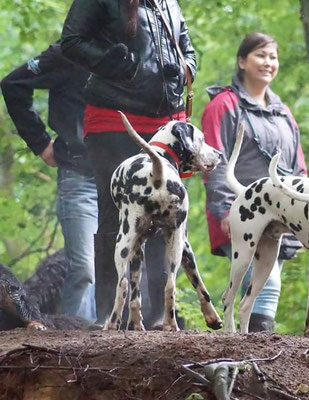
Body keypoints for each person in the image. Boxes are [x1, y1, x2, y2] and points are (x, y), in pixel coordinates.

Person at [60, 0, 197, 328]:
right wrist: (116, 64)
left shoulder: (169, 2)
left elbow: (187, 47)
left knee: (166, 216)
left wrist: (186, 68)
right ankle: (112, 313)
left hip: (166, 124)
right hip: (114, 117)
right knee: (115, 214)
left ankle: (159, 315)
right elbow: (71, 42)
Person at [202, 32, 307, 332]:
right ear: (241, 61)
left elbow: (298, 168)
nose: (268, 62)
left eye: (273, 57)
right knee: (266, 283)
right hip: (242, 209)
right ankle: (254, 351)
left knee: (265, 285)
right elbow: (214, 161)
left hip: (284, 215)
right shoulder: (223, 105)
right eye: (260, 55)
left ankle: (249, 350)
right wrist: (224, 209)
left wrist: (305, 216)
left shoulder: (283, 112)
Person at [1, 42, 97, 322]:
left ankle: (111, 342)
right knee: (83, 268)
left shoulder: (135, 49)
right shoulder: (66, 53)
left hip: (122, 179)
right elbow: (13, 84)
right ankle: (81, 346)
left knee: (116, 269)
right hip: (78, 176)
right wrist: (41, 142)